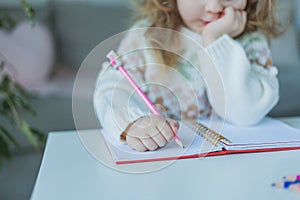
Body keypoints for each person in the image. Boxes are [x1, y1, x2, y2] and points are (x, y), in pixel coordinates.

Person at [94, 0, 284, 152]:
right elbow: (112, 87)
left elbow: (245, 112)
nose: (214, 7)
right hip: (165, 160)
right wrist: (134, 122)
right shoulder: (145, 35)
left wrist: (215, 40)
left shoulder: (251, 40)